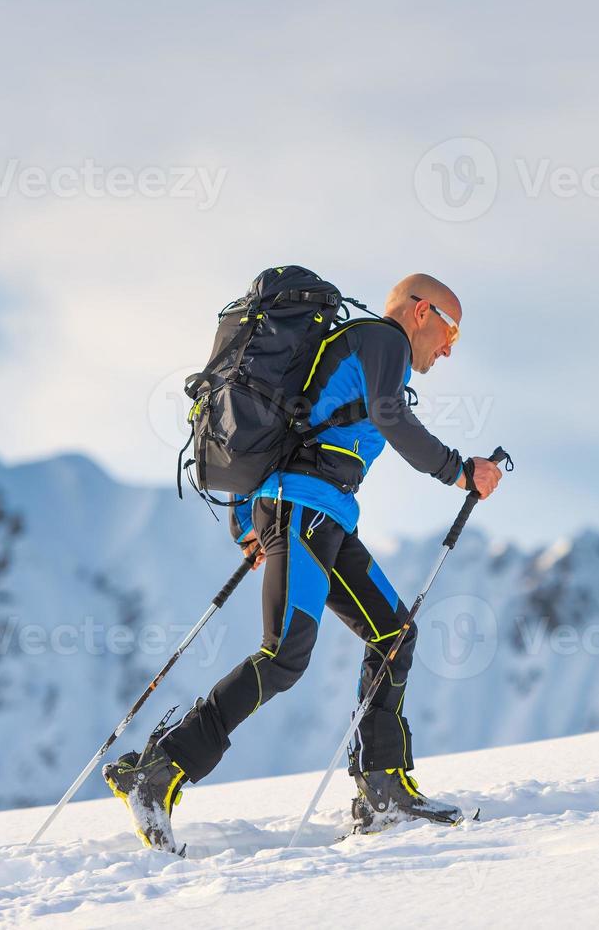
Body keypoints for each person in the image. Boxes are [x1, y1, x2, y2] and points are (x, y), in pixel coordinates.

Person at [104, 273, 504, 851]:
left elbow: (289, 430)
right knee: (285, 655)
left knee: (395, 634)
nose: (449, 348)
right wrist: (459, 470)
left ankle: (381, 788)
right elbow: (391, 419)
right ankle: (159, 770)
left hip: (322, 514)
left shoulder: (357, 348)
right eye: (451, 331)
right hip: (305, 509)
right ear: (421, 312)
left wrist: (248, 521)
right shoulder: (383, 340)